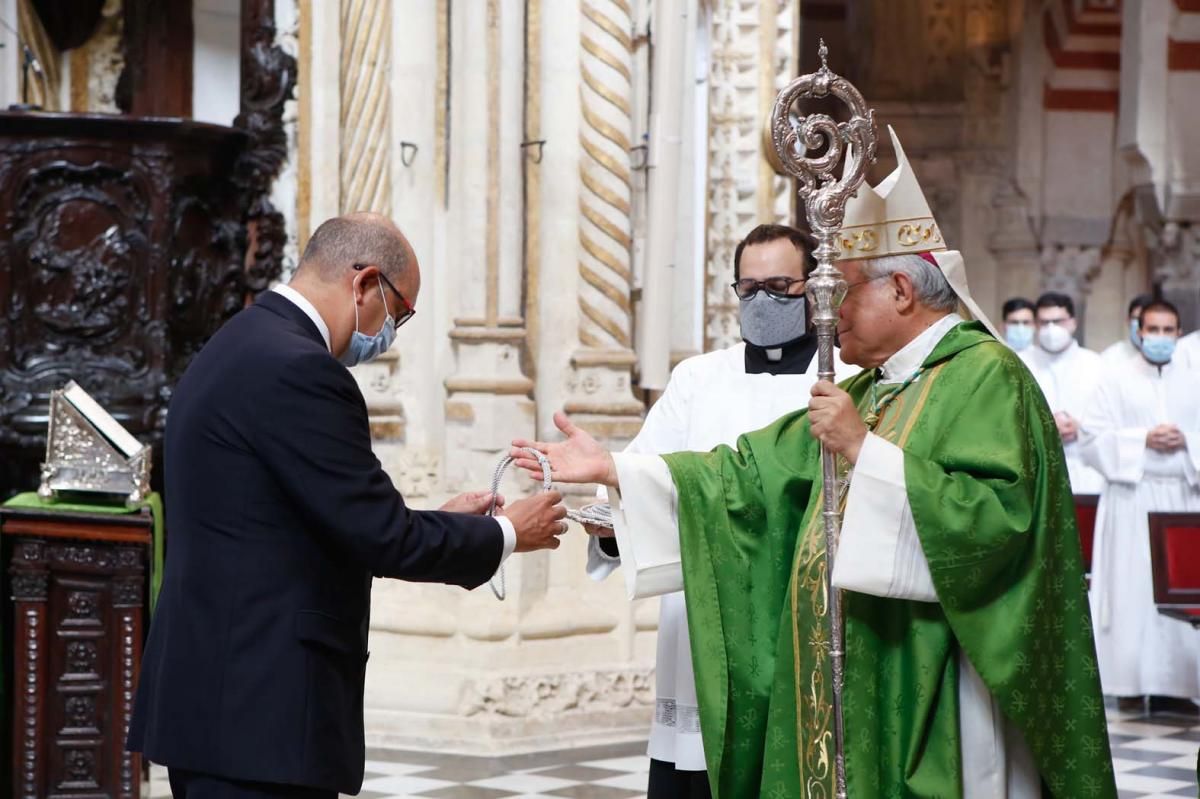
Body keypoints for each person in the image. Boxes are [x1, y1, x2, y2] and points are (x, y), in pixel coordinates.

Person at [515, 128, 1115, 797]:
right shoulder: (874, 385)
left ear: (901, 291)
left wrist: (865, 450)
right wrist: (615, 470)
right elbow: (747, 474)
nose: (826, 313)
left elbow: (1000, 527)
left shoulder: (987, 377)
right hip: (862, 676)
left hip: (939, 679)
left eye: (844, 291)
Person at [127, 214, 569, 799]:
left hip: (222, 699)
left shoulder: (239, 340)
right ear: (364, 284)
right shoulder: (301, 369)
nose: (393, 332)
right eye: (400, 311)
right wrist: (508, 533)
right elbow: (382, 536)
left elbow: (317, 517)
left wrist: (439, 520)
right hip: (260, 713)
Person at [585, 223, 857, 799]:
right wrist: (608, 524)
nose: (763, 300)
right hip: (704, 613)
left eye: (781, 286)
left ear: (814, 291)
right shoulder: (697, 378)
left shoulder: (848, 382)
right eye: (749, 287)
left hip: (798, 610)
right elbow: (643, 476)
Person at [1081, 299, 1200, 715]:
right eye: (1153, 330)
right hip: (1132, 497)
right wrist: (1141, 440)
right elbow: (1091, 439)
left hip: (1184, 498)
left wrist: (1188, 439)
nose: (1161, 338)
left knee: (1183, 593)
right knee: (1132, 589)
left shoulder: (1195, 377)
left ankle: (1179, 687)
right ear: (1138, 331)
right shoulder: (1113, 379)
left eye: (1169, 330)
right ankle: (1128, 683)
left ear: (1180, 332)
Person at [1020, 292, 1105, 493]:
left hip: (1087, 470)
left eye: (1058, 321)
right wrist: (1043, 427)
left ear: (1073, 323)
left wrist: (1081, 427)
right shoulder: (1020, 363)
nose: (1051, 329)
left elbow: (1111, 419)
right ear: (1036, 325)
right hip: (1036, 470)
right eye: (1044, 322)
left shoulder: (1096, 364)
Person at [1100, 292, 1153, 366]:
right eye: (1137, 319)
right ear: (1128, 320)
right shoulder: (1110, 358)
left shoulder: (1174, 356)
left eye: (1148, 320)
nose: (1141, 325)